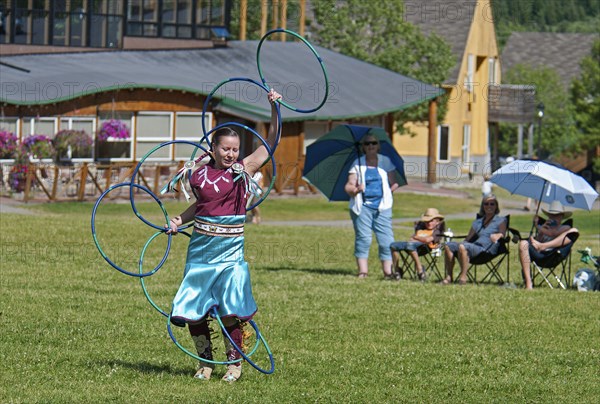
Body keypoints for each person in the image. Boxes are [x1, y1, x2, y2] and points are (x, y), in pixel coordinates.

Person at [165, 89, 282, 382]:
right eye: (226, 149)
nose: (231, 154)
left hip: (229, 251)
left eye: (235, 149)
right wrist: (180, 219)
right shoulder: (198, 174)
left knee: (229, 309)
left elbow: (269, 145)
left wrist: (274, 109)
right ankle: (205, 361)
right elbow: (202, 206)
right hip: (201, 249)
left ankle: (234, 364)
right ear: (213, 148)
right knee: (194, 309)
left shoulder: (241, 171)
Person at [344, 134, 400, 279]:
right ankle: (363, 272)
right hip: (362, 206)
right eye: (367, 144)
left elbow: (393, 183)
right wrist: (356, 189)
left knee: (386, 240)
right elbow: (349, 186)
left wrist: (390, 188)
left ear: (378, 146)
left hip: (383, 206)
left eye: (374, 143)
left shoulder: (385, 161)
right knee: (364, 238)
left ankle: (388, 272)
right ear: (363, 147)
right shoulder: (357, 163)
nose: (371, 146)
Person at [442, 194, 507, 285]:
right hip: (474, 247)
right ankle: (449, 276)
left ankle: (463, 277)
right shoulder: (478, 222)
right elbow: (468, 238)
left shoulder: (501, 220)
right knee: (449, 246)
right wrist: (460, 244)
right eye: (486, 204)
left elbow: (503, 233)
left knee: (462, 247)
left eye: (492, 204)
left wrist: (498, 235)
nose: (489, 206)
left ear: (496, 206)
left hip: (486, 250)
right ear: (482, 206)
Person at [518, 200, 579, 290]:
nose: (554, 217)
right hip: (540, 255)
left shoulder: (565, 227)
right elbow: (536, 243)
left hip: (553, 255)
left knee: (575, 230)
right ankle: (528, 283)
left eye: (557, 215)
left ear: (562, 216)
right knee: (523, 243)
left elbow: (553, 233)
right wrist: (541, 232)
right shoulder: (545, 228)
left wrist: (539, 227)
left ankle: (544, 246)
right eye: (551, 215)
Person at [390, 208, 445, 281]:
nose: (428, 223)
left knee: (410, 245)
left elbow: (427, 240)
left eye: (431, 221)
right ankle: (397, 270)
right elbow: (412, 239)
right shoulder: (421, 227)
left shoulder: (437, 230)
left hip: (426, 248)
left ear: (437, 222)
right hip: (413, 245)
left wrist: (416, 237)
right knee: (393, 245)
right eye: (426, 221)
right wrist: (417, 238)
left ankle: (420, 270)